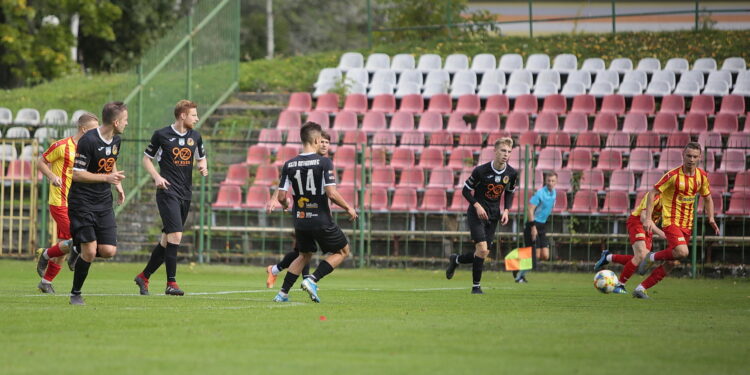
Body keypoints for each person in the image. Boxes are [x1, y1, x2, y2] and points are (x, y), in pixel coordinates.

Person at [273, 122, 357, 303]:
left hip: (300, 220)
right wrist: (348, 207)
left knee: (304, 255)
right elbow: (332, 194)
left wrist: (285, 203)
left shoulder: (289, 164)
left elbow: (281, 196)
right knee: (343, 251)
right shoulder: (324, 162)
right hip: (320, 219)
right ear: (317, 140)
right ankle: (312, 279)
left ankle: (282, 293)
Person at [134, 100, 208, 296]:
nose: (197, 118)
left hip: (185, 193)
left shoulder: (196, 136)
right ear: (183, 115)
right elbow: (146, 159)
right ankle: (171, 283)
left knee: (167, 240)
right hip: (167, 191)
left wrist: (203, 166)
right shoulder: (161, 135)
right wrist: (157, 177)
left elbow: (201, 157)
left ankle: (144, 276)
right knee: (176, 235)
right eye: (194, 115)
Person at [635, 142, 720, 299]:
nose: (691, 159)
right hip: (671, 221)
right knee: (683, 251)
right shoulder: (672, 175)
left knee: (673, 262)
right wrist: (647, 218)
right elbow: (652, 192)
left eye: (695, 156)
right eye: (689, 156)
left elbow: (708, 198)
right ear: (683, 155)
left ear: (700, 157)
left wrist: (711, 218)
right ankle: (651, 257)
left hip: (687, 225)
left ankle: (641, 288)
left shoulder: (702, 176)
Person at [67, 102, 127, 305]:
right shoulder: (88, 141)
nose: (127, 124)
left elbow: (110, 161)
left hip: (103, 202)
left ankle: (77, 249)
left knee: (109, 251)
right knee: (91, 251)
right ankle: (75, 293)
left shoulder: (117, 140)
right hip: (82, 201)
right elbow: (77, 174)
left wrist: (116, 182)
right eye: (125, 120)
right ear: (116, 121)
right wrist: (106, 179)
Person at [35, 113, 99, 293]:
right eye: (94, 129)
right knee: (78, 237)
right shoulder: (62, 146)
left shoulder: (90, 149)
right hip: (60, 201)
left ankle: (46, 281)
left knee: (64, 243)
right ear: (84, 129)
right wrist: (52, 176)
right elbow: (40, 162)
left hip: (78, 202)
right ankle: (50, 254)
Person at [445, 137, 518, 294]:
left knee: (483, 252)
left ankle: (456, 259)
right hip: (476, 213)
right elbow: (465, 190)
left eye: (509, 152)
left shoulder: (511, 173)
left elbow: (510, 192)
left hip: (493, 215)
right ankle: (476, 287)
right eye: (503, 151)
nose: (506, 154)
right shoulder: (481, 171)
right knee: (482, 249)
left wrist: (506, 210)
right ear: (495, 151)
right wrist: (477, 206)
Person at [265, 131, 330, 288]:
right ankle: (300, 276)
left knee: (303, 250)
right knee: (303, 250)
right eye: (321, 141)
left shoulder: (324, 163)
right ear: (314, 142)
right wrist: (275, 199)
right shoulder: (302, 162)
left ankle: (276, 270)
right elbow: (284, 184)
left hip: (317, 213)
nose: (324, 144)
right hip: (302, 211)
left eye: (327, 142)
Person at [593, 191, 666, 294]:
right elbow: (643, 217)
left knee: (641, 260)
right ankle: (620, 285)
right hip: (638, 222)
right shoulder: (654, 195)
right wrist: (661, 233)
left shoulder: (673, 200)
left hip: (649, 227)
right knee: (641, 255)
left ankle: (608, 257)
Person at [515, 171, 557, 283]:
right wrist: (533, 227)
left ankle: (518, 265)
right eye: (548, 180)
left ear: (556, 182)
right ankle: (519, 276)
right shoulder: (540, 193)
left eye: (553, 181)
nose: (550, 183)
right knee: (534, 256)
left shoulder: (554, 193)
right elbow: (529, 210)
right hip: (532, 225)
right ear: (545, 181)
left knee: (545, 255)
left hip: (542, 226)